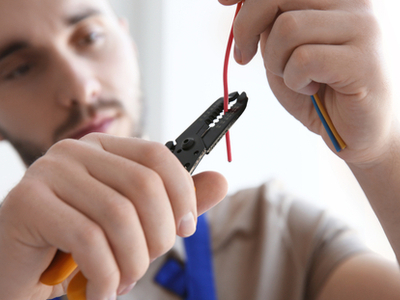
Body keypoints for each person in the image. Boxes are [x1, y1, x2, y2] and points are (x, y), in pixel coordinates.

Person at [0, 0, 400, 299]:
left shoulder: (278, 241)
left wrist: (381, 155)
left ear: (129, 42)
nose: (79, 86)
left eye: (90, 37)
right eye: (20, 68)